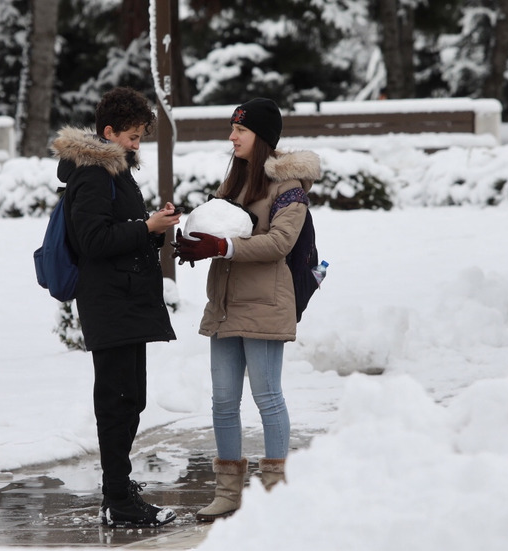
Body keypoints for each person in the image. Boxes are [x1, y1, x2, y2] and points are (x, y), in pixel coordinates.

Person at [173, 97, 321, 522]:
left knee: (267, 397)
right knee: (222, 401)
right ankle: (228, 493)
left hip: (265, 305)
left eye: (240, 129)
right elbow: (222, 234)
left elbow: (280, 244)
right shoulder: (232, 186)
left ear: (262, 137)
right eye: (233, 128)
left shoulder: (288, 188)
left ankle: (276, 492)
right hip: (225, 306)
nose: (232, 136)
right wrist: (197, 243)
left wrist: (223, 245)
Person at [50, 86, 182, 529]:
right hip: (109, 302)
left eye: (140, 137)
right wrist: (147, 226)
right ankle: (117, 499)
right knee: (117, 402)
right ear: (109, 132)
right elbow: (94, 241)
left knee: (132, 399)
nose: (137, 145)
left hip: (125, 300)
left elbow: (121, 232)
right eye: (133, 137)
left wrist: (155, 227)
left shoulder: (115, 172)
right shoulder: (92, 175)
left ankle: (120, 491)